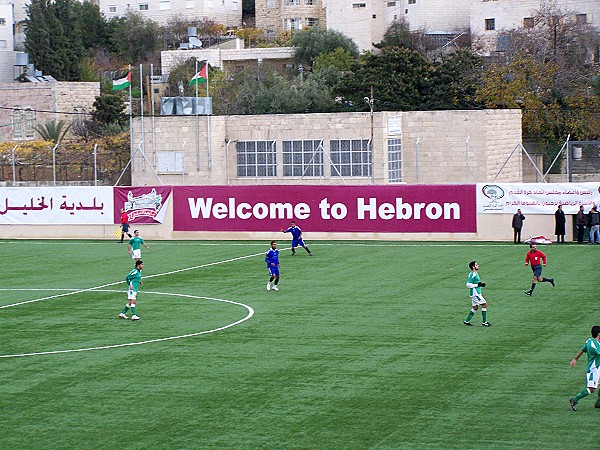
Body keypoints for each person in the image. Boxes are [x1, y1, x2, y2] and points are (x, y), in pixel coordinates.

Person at [569, 326, 600, 411]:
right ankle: (574, 400)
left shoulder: (589, 341)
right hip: (594, 369)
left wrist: (575, 358)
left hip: (598, 368)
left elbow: (582, 349)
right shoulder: (594, 344)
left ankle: (598, 403)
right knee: (591, 389)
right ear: (598, 334)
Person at [463, 260, 491, 327]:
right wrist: (477, 285)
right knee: (484, 304)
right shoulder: (473, 274)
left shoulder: (475, 273)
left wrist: (480, 285)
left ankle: (466, 321)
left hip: (475, 293)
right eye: (476, 265)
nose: (478, 265)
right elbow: (468, 284)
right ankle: (484, 322)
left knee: (475, 307)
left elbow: (475, 283)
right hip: (476, 294)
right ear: (473, 267)